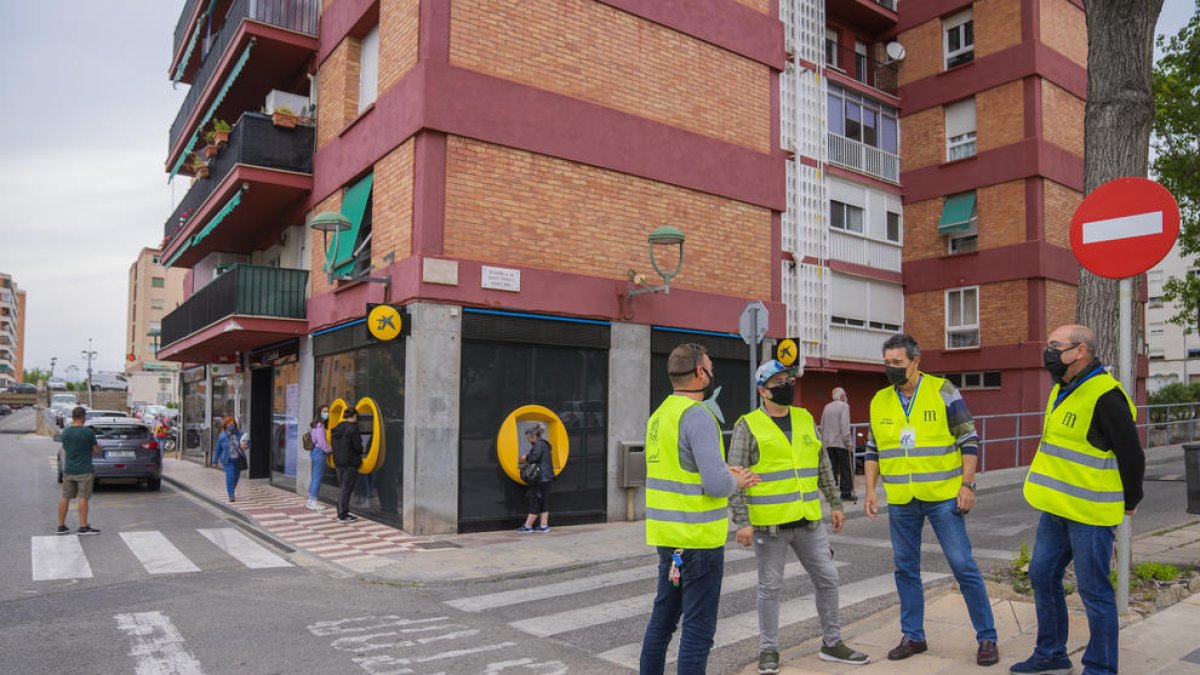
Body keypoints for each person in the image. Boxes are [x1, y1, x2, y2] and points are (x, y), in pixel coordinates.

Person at [1010, 325, 1144, 675]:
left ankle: (1100, 668)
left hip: (1090, 513)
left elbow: (1132, 456)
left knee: (1094, 591)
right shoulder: (1064, 389)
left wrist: (1131, 500)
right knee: (1042, 575)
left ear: (1080, 350)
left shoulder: (1106, 395)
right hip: (1056, 510)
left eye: (1055, 345)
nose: (1048, 351)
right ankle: (1051, 655)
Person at [864, 333, 998, 666]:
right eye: (887, 363)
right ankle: (913, 636)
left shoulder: (944, 391)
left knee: (962, 564)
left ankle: (987, 637)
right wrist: (869, 490)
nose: (891, 368)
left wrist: (968, 485)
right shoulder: (879, 400)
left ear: (915, 361)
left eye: (897, 363)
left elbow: (969, 438)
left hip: (942, 496)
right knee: (905, 568)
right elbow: (872, 449)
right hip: (901, 499)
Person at [730, 361, 870, 673]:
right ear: (762, 390)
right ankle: (768, 650)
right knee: (769, 588)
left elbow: (821, 465)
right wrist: (742, 521)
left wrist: (835, 502)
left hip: (809, 521)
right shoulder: (747, 425)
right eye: (778, 381)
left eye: (788, 379)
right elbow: (735, 476)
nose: (786, 385)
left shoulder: (805, 418)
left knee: (828, 579)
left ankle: (832, 643)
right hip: (770, 525)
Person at [640, 343, 760, 675]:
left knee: (662, 622)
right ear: (698, 373)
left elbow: (683, 470)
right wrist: (737, 479)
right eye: (709, 366)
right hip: (699, 542)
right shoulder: (699, 416)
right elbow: (716, 485)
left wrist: (723, 473)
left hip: (669, 538)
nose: (711, 371)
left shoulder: (660, 415)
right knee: (698, 630)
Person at [57, 406, 101, 535]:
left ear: (72, 417)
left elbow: (65, 447)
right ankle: (83, 527)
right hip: (84, 470)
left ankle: (61, 526)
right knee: (83, 498)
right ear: (83, 417)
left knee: (65, 497)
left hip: (69, 469)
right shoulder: (88, 432)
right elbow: (95, 450)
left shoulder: (65, 431)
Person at [820, 387, 856, 503]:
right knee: (846, 468)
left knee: (831, 469)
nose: (846, 397)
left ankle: (832, 494)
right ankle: (845, 493)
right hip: (840, 442)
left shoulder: (827, 407)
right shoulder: (844, 406)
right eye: (845, 395)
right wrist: (849, 442)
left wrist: (822, 441)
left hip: (828, 443)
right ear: (842, 396)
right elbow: (844, 425)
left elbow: (822, 424)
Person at [517, 423, 555, 532]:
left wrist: (525, 458)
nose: (528, 440)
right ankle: (544, 526)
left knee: (535, 501)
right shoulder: (545, 444)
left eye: (528, 438)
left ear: (533, 436)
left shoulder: (538, 444)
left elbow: (534, 457)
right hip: (547, 477)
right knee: (543, 501)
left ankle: (528, 526)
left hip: (540, 478)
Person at [331, 407, 363, 523]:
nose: (357, 419)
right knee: (347, 488)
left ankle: (342, 510)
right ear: (353, 416)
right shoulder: (353, 429)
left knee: (343, 488)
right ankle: (342, 515)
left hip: (338, 462)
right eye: (356, 417)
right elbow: (358, 447)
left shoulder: (337, 428)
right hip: (350, 463)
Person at [306, 406, 331, 511]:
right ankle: (313, 501)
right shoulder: (320, 426)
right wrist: (331, 450)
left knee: (315, 476)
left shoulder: (315, 425)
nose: (327, 413)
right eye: (324, 411)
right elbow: (322, 444)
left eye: (327, 411)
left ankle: (311, 499)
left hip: (314, 452)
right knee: (318, 477)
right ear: (319, 413)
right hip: (319, 452)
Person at [213, 417, 244, 502]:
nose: (231, 425)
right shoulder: (222, 436)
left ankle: (231, 489)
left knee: (236, 478)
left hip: (238, 460)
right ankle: (231, 495)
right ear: (226, 425)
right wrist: (215, 461)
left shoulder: (240, 433)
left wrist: (246, 445)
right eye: (229, 424)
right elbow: (217, 449)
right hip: (228, 460)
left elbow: (247, 443)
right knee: (230, 477)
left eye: (232, 423)